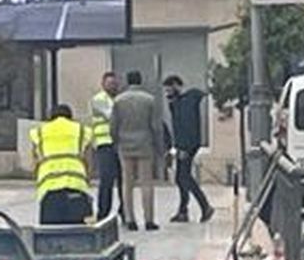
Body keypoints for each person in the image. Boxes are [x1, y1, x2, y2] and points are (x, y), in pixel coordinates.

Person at [110, 71, 166, 231]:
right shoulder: (149, 100)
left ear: (127, 81)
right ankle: (149, 220)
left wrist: (115, 141)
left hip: (125, 144)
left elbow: (113, 125)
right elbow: (156, 126)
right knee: (146, 183)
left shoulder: (118, 101)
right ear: (140, 81)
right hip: (145, 144)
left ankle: (130, 219)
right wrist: (160, 147)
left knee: (127, 183)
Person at [28, 103, 93, 225]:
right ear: (71, 117)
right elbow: (88, 161)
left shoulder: (39, 132)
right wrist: (87, 180)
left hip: (49, 190)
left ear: (50, 117)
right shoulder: (81, 130)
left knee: (51, 232)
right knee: (79, 232)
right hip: (77, 187)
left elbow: (34, 163)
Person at [163, 75, 214, 224]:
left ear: (176, 85)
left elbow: (186, 126)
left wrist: (184, 147)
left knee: (184, 177)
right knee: (181, 177)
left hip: (187, 145)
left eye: (169, 89)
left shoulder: (187, 101)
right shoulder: (177, 102)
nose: (167, 94)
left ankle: (205, 206)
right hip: (183, 145)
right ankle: (183, 210)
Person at [89, 70, 124, 222]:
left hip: (121, 143)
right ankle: (103, 213)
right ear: (103, 84)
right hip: (105, 144)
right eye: (110, 83)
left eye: (115, 83)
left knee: (124, 180)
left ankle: (125, 211)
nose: (113, 86)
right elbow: (111, 115)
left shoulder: (121, 99)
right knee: (107, 180)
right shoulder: (99, 100)